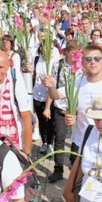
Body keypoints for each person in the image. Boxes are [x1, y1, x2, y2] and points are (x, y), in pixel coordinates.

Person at [43, 40, 81, 182]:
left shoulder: (81, 66)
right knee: (59, 138)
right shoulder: (57, 65)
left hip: (77, 110)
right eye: (73, 53)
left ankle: (75, 165)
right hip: (61, 107)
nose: (76, 55)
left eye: (78, 53)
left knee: (77, 140)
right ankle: (58, 169)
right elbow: (51, 88)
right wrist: (47, 107)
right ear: (67, 52)